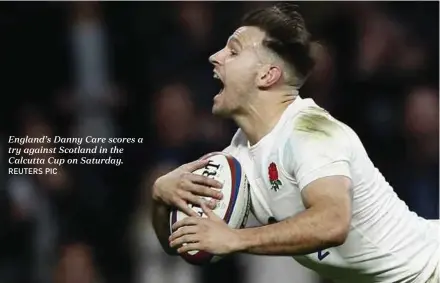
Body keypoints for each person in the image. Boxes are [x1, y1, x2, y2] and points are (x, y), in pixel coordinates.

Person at [151, 3, 440, 283]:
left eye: (233, 51)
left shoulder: (310, 132)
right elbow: (188, 246)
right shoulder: (237, 157)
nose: (216, 56)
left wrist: (236, 239)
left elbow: (332, 221)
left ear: (267, 74)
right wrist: (162, 197)